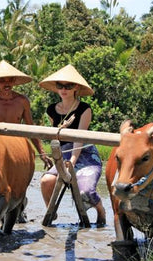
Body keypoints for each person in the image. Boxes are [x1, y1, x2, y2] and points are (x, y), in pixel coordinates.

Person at [0, 60, 53, 222]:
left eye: (9, 80)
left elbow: (30, 126)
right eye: (1, 80)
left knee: (20, 182)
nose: (6, 84)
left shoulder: (22, 101)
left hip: (18, 148)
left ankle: (19, 206)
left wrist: (41, 152)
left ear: (14, 81)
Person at [38, 64, 106, 226]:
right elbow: (57, 137)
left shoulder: (84, 109)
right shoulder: (51, 110)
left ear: (76, 87)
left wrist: (72, 162)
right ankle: (51, 211)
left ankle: (101, 210)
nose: (64, 89)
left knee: (85, 192)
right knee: (46, 181)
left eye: (68, 86)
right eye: (60, 86)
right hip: (63, 153)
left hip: (85, 154)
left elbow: (79, 138)